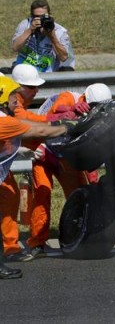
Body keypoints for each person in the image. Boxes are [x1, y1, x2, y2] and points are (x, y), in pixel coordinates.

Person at [24, 83, 111, 259]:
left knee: (79, 194)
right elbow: (55, 112)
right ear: (85, 99)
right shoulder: (69, 96)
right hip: (44, 150)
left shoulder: (99, 115)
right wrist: (71, 109)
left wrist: (92, 175)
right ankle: (37, 243)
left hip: (66, 155)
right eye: (95, 107)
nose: (98, 111)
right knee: (43, 193)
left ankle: (79, 234)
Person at [0, 77, 71, 268]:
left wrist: (23, 150)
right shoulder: (4, 122)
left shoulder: (5, 119)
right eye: (13, 99)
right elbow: (38, 131)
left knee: (10, 196)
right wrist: (66, 126)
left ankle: (8, 251)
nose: (17, 102)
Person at [11, 0, 75, 72]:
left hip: (47, 73)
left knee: (68, 71)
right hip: (24, 71)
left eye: (43, 16)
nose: (40, 20)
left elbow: (63, 57)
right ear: (32, 16)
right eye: (37, 16)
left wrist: (52, 36)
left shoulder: (59, 31)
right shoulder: (26, 24)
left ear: (50, 15)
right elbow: (15, 48)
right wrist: (30, 30)